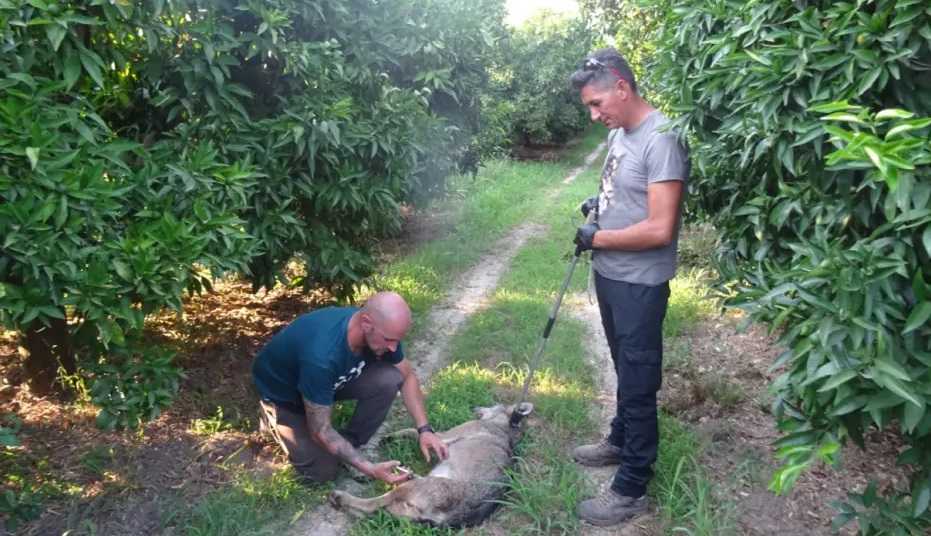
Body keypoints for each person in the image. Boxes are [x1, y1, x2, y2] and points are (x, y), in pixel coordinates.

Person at [568, 48, 689, 527]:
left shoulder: (661, 138)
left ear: (622, 86)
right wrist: (600, 201)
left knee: (638, 381)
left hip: (640, 284)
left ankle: (633, 486)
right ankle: (620, 439)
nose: (596, 115)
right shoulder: (622, 133)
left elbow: (660, 227)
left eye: (598, 104)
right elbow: (628, 188)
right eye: (589, 108)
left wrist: (598, 237)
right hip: (612, 275)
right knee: (624, 366)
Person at [252, 291, 448, 485]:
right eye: (389, 340)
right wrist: (369, 468)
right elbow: (320, 431)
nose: (393, 348)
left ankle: (350, 442)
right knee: (321, 472)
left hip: (326, 383)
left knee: (389, 378)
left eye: (397, 340)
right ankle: (272, 419)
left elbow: (408, 376)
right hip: (286, 396)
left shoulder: (380, 331)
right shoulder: (321, 357)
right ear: (366, 324)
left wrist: (425, 430)